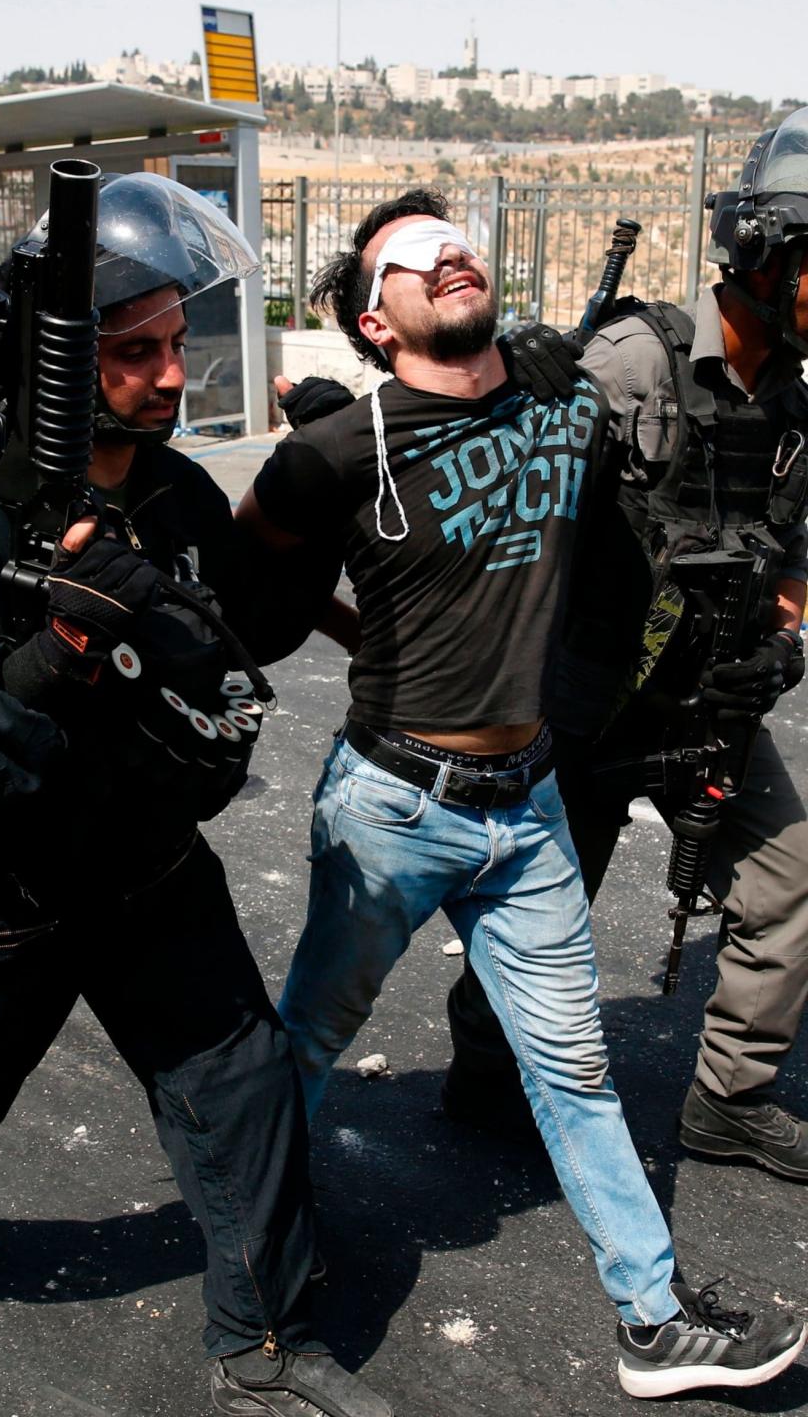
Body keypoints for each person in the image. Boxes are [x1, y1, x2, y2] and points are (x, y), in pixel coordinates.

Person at [235, 189, 805, 1398]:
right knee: (305, 1042)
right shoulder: (344, 450)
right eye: (409, 256)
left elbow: (643, 538)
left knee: (578, 1071)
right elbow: (246, 596)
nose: (447, 255)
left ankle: (650, 1322)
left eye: (457, 243)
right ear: (373, 322)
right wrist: (343, 606)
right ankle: (256, 1250)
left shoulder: (563, 409)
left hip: (530, 804)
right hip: (392, 808)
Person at [0, 172, 391, 1417]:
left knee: (241, 1091)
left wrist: (311, 493)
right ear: (57, 366)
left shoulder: (174, 494)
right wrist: (51, 652)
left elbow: (238, 634)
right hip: (3, 891)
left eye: (173, 345)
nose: (170, 375)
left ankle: (262, 1345)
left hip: (148, 869)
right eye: (134, 353)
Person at [445, 107, 808, 1187]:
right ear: (766, 253)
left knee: (792, 880)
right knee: (543, 906)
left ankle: (729, 1102)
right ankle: (484, 1068)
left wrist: (781, 641)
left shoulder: (796, 398)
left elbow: (794, 546)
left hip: (712, 695)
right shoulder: (638, 358)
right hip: (596, 689)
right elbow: (513, 504)